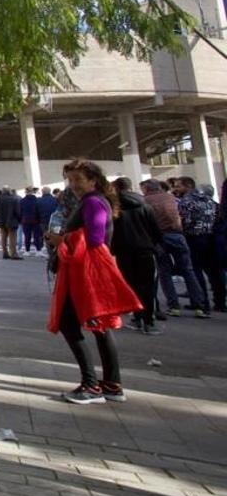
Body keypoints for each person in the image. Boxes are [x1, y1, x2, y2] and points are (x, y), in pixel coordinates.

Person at [46, 159, 140, 404]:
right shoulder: (95, 201)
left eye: (78, 179)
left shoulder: (93, 202)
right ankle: (111, 383)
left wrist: (61, 241)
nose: (74, 184)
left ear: (93, 180)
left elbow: (95, 238)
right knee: (99, 326)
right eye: (70, 180)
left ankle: (91, 384)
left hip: (86, 272)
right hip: (90, 269)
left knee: (70, 323)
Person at [141, 179, 209, 318]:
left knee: (164, 272)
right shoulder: (171, 197)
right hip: (177, 235)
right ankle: (199, 306)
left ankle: (174, 306)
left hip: (159, 237)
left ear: (146, 189)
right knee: (188, 270)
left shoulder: (145, 201)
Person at [110, 177, 164, 335]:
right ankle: (149, 321)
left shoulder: (114, 208)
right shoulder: (145, 205)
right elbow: (155, 230)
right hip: (145, 249)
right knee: (147, 286)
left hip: (123, 251)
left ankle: (137, 317)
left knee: (130, 285)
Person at [173, 176, 222, 314]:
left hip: (194, 238)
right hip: (211, 237)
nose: (175, 189)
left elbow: (185, 222)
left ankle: (201, 303)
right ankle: (220, 301)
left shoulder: (186, 202)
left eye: (178, 186)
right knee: (214, 271)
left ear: (188, 186)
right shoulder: (209, 200)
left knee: (196, 271)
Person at [0, 187, 22, 260]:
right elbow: (18, 211)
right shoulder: (14, 199)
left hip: (1, 222)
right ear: (9, 191)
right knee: (12, 239)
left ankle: (5, 253)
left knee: (3, 238)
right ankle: (13, 254)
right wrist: (19, 219)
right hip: (12, 221)